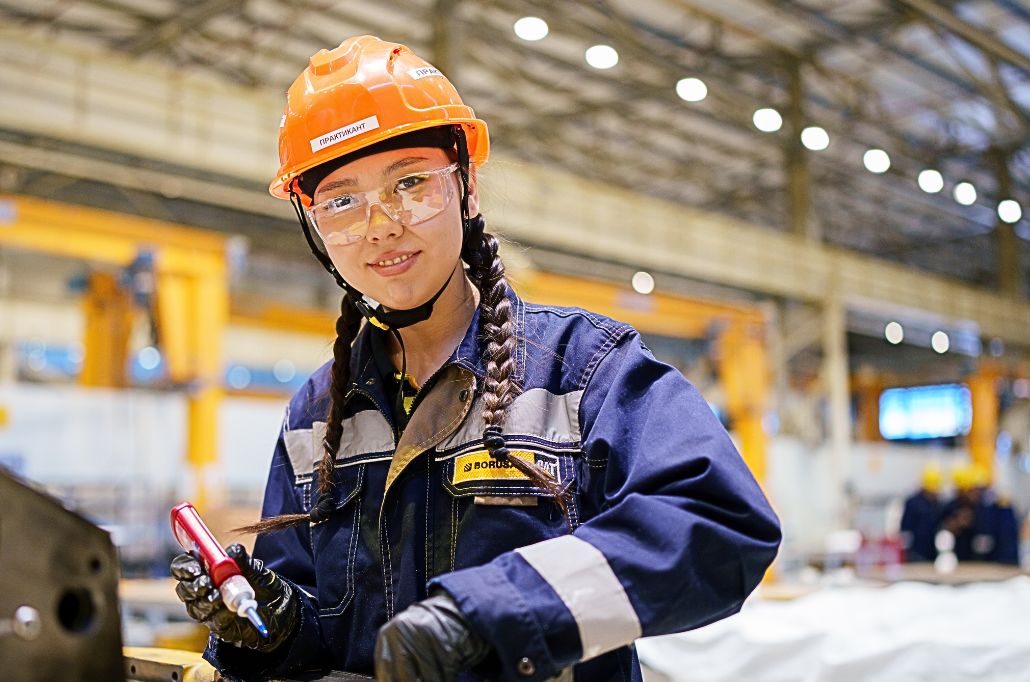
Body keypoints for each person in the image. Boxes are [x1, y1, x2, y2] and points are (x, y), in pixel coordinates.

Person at [169, 36, 781, 682]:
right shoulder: (317, 416)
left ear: (467, 186)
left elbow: (721, 526)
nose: (380, 225)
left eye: (410, 184)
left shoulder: (585, 372)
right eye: (341, 202)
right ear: (313, 224)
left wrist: (492, 612)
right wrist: (275, 626)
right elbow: (328, 639)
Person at [940, 463, 1019, 565]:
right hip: (966, 559)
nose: (975, 493)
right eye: (972, 490)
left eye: (978, 489)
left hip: (996, 559)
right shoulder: (957, 506)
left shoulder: (992, 508)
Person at [900, 463, 945, 562]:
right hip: (916, 553)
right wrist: (907, 551)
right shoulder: (913, 503)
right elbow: (905, 528)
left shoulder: (937, 504)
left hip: (932, 553)